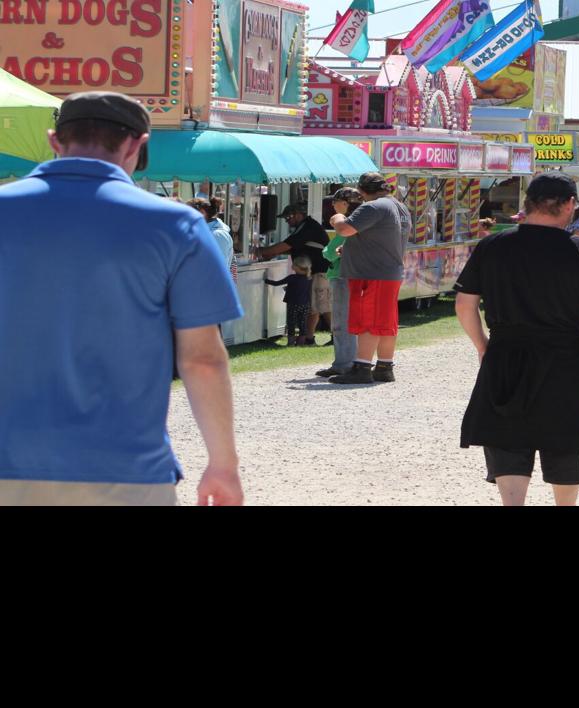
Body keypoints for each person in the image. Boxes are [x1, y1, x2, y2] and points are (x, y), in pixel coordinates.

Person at [0, 91, 243, 506]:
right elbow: (201, 359)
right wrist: (223, 464)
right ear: (136, 145)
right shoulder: (177, 224)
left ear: (55, 141)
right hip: (126, 469)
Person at [451, 174, 579, 507]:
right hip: (564, 357)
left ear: (527, 203)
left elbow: (464, 304)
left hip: (506, 350)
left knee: (508, 438)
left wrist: (483, 346)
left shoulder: (493, 245)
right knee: (563, 437)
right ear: (570, 205)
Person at [328, 172, 411, 383]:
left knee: (368, 321)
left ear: (363, 191)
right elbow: (381, 238)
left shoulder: (373, 206)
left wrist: (338, 217)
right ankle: (384, 366)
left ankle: (362, 367)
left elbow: (345, 229)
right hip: (389, 272)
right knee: (385, 322)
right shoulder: (399, 207)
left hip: (371, 273)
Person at [253, 203, 332, 344]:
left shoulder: (307, 227)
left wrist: (262, 251)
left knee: (322, 306)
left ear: (298, 214)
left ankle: (336, 337)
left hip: (320, 271)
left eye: (288, 217)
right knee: (314, 307)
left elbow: (287, 245)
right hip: (315, 271)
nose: (287, 221)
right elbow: (295, 247)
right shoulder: (303, 227)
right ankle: (309, 338)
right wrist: (271, 252)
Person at [315, 188, 362, 378]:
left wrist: (327, 250)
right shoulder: (362, 222)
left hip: (342, 276)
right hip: (356, 276)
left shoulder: (346, 226)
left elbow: (329, 252)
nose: (333, 205)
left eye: (336, 201)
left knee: (341, 322)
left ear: (345, 204)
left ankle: (343, 364)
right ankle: (356, 361)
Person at [266, 257, 315, 347]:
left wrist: (265, 280)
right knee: (302, 323)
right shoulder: (309, 278)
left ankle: (291, 343)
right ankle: (301, 343)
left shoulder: (292, 277)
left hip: (293, 304)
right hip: (305, 304)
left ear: (296, 267)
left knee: (291, 323)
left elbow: (277, 283)